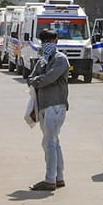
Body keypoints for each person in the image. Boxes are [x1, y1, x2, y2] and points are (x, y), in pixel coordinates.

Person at [27, 29, 70, 191]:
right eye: (44, 40)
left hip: (56, 105)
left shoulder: (61, 59)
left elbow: (49, 78)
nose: (47, 43)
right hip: (43, 105)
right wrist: (37, 79)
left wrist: (37, 80)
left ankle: (49, 179)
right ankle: (58, 177)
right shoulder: (43, 60)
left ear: (56, 41)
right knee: (53, 142)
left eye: (50, 40)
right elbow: (30, 78)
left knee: (48, 142)